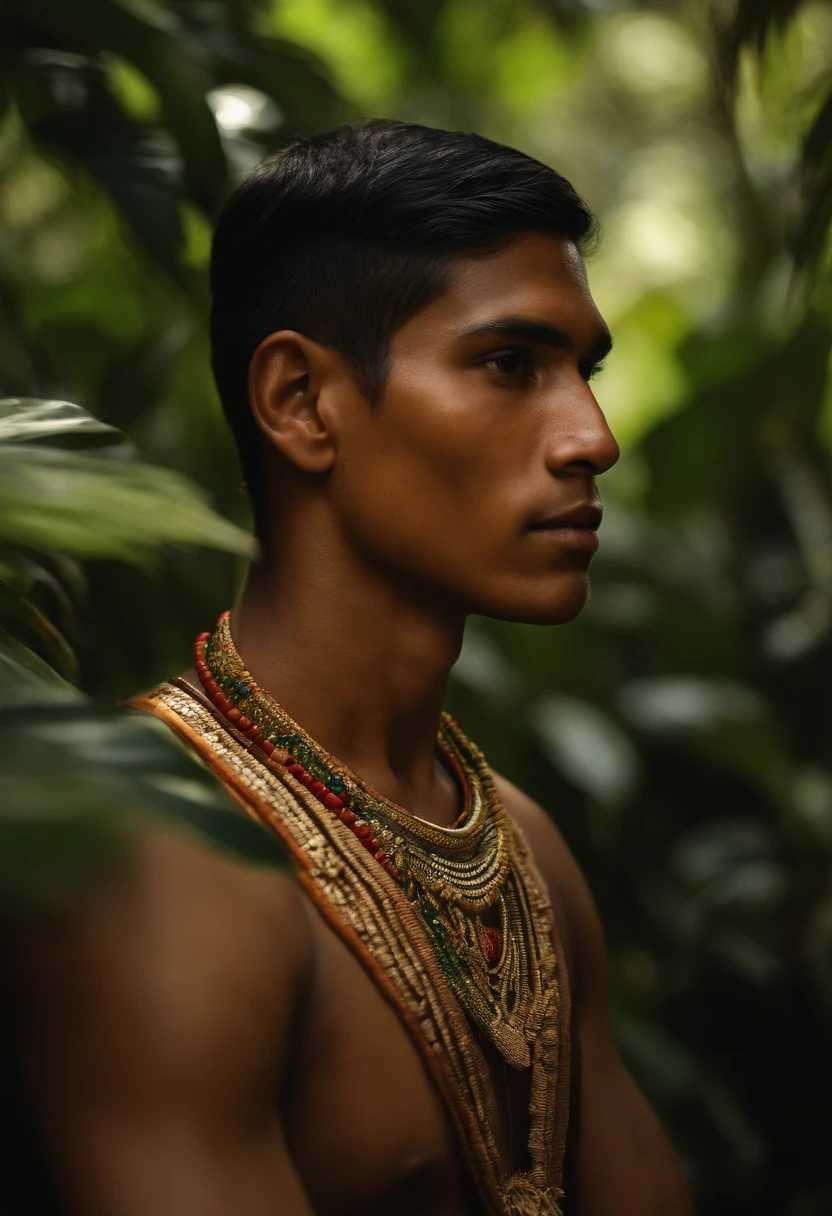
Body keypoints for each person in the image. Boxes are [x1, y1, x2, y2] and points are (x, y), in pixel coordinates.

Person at [14, 121, 694, 1215]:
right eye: (510, 364)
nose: (591, 435)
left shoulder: (524, 856)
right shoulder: (167, 854)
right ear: (299, 401)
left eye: (584, 369)